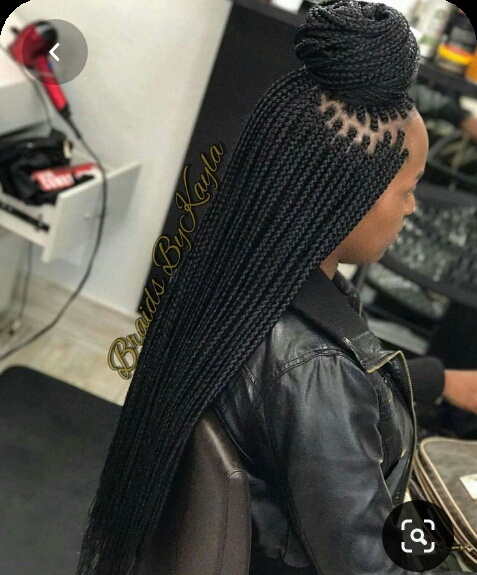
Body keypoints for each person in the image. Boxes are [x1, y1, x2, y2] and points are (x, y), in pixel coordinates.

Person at [76, 1, 477, 574]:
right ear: (350, 196)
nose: (412, 208)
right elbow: (373, 564)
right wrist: (444, 537)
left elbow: (306, 398)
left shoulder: (239, 273)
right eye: (408, 189)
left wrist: (441, 381)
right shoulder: (315, 368)